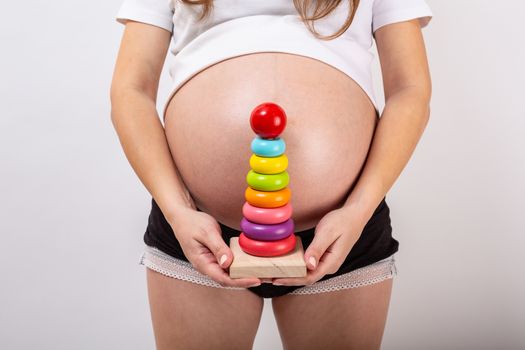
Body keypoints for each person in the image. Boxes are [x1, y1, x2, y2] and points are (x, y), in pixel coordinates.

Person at [110, 0, 432, 348]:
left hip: (342, 228)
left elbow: (409, 90)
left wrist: (358, 211)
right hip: (197, 228)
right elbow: (131, 89)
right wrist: (178, 212)